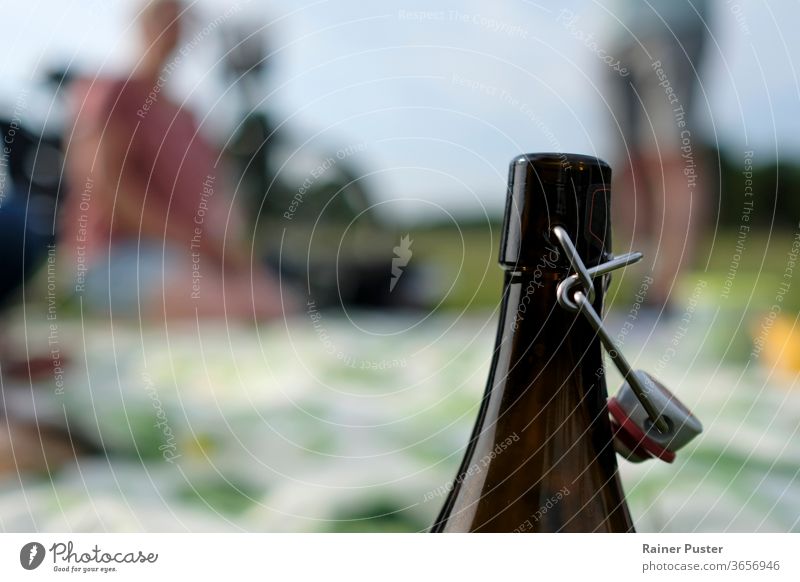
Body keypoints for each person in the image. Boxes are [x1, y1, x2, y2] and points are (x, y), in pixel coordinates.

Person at [61, 0, 288, 321]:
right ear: (140, 22)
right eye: (162, 14)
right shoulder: (112, 90)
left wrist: (229, 251)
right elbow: (107, 187)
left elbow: (217, 200)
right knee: (236, 310)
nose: (172, 25)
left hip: (188, 257)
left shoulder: (189, 117)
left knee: (277, 302)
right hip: (115, 258)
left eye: (179, 17)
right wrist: (200, 245)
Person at [604, 0, 710, 311]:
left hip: (673, 17)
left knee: (671, 154)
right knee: (628, 163)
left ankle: (670, 295)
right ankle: (643, 289)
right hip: (613, 25)